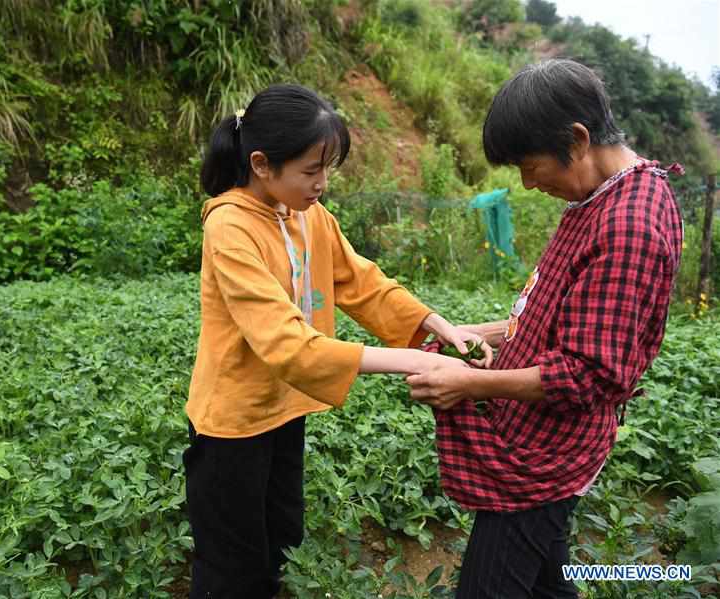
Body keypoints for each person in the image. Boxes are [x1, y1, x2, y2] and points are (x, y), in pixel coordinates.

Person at [184, 83, 492, 599]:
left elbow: (361, 283)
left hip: (284, 410)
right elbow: (286, 343)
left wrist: (437, 325)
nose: (322, 183)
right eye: (311, 170)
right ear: (262, 164)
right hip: (232, 423)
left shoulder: (309, 216)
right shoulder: (230, 227)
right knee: (231, 566)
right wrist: (413, 360)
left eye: (328, 169)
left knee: (283, 540)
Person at [406, 59, 684, 598]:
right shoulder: (599, 196)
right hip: (541, 440)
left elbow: (587, 375)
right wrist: (478, 334)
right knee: (547, 584)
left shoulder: (630, 228)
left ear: (577, 140)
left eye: (530, 166)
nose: (528, 184)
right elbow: (545, 315)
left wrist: (469, 383)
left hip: (546, 458)